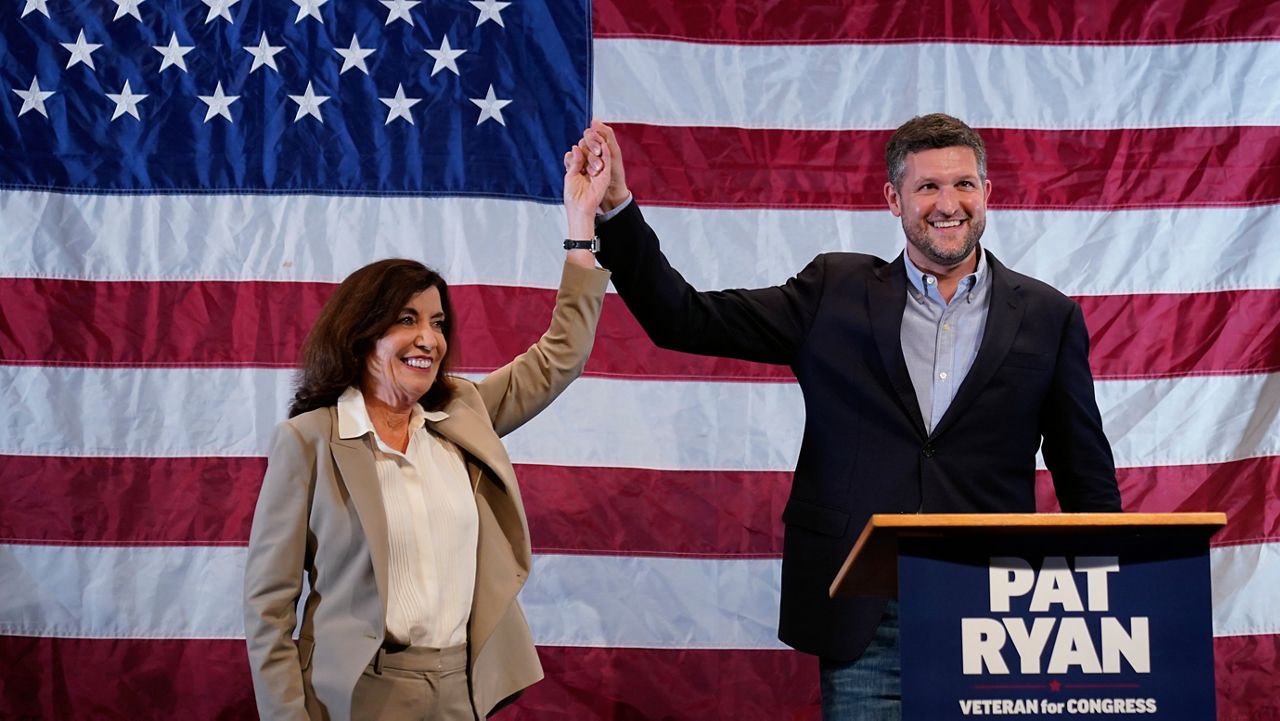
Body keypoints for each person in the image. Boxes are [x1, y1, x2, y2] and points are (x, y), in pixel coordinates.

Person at [570, 113, 1122, 719]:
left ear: (987, 194)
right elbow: (683, 318)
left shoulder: (1048, 315)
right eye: (928, 187)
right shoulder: (833, 290)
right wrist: (617, 208)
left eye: (964, 185)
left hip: (994, 608)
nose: (948, 204)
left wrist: (1106, 595)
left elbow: (1083, 473)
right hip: (865, 614)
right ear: (894, 199)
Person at [243, 144, 612, 720]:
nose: (430, 339)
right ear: (361, 334)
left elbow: (560, 357)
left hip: (461, 692)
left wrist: (580, 224)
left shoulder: (461, 412)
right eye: (407, 320)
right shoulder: (309, 441)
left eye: (437, 323)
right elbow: (269, 608)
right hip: (357, 697)